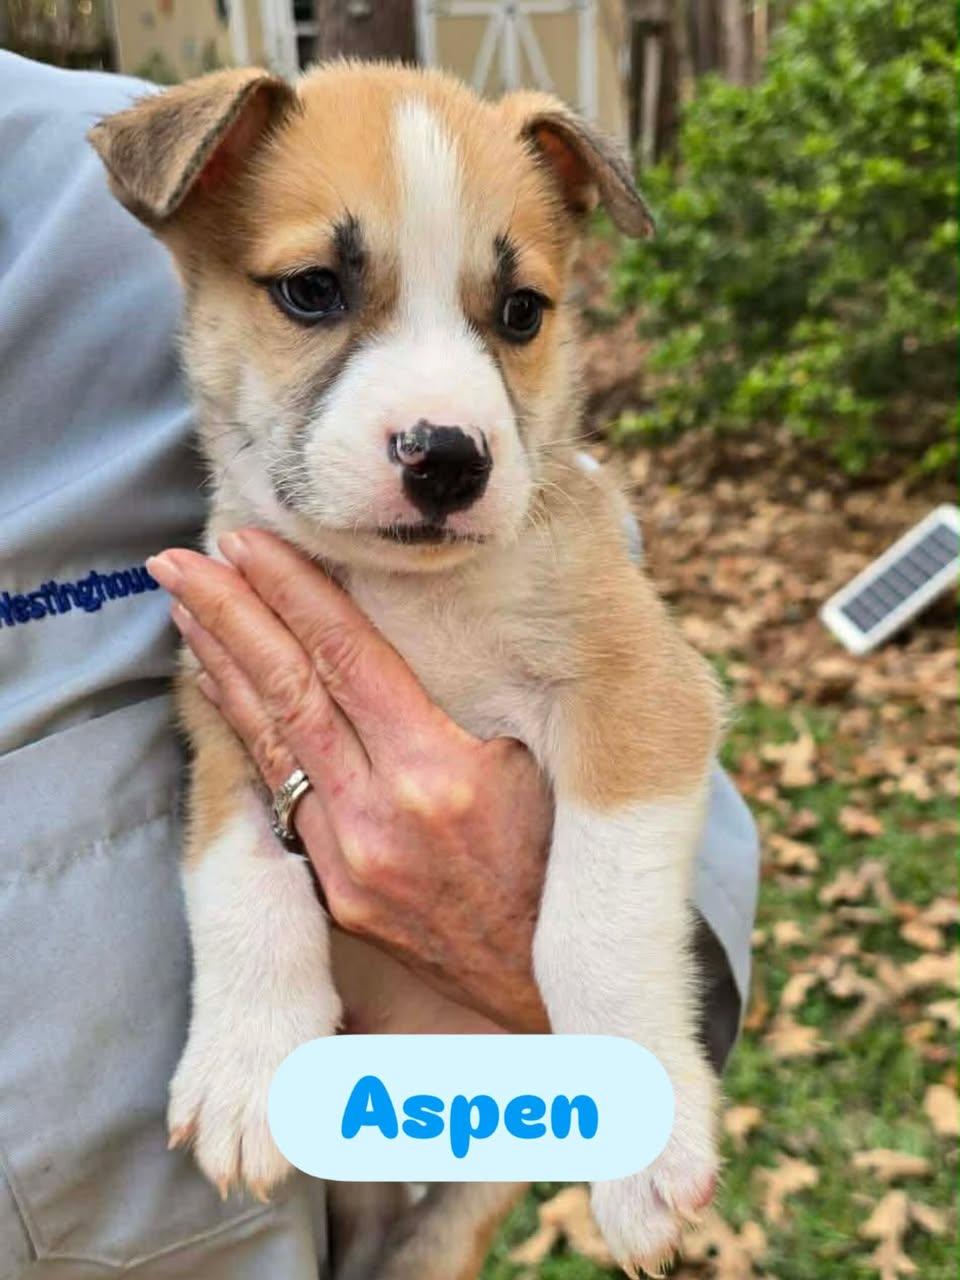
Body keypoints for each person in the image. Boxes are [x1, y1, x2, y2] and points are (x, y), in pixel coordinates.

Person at [0, 52, 759, 1279]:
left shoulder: (543, 543)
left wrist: (619, 1028)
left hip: (461, 1103)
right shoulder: (246, 526)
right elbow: (228, 753)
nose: (445, 418)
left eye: (512, 317)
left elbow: (654, 705)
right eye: (314, 292)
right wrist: (257, 990)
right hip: (216, 1195)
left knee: (446, 1224)